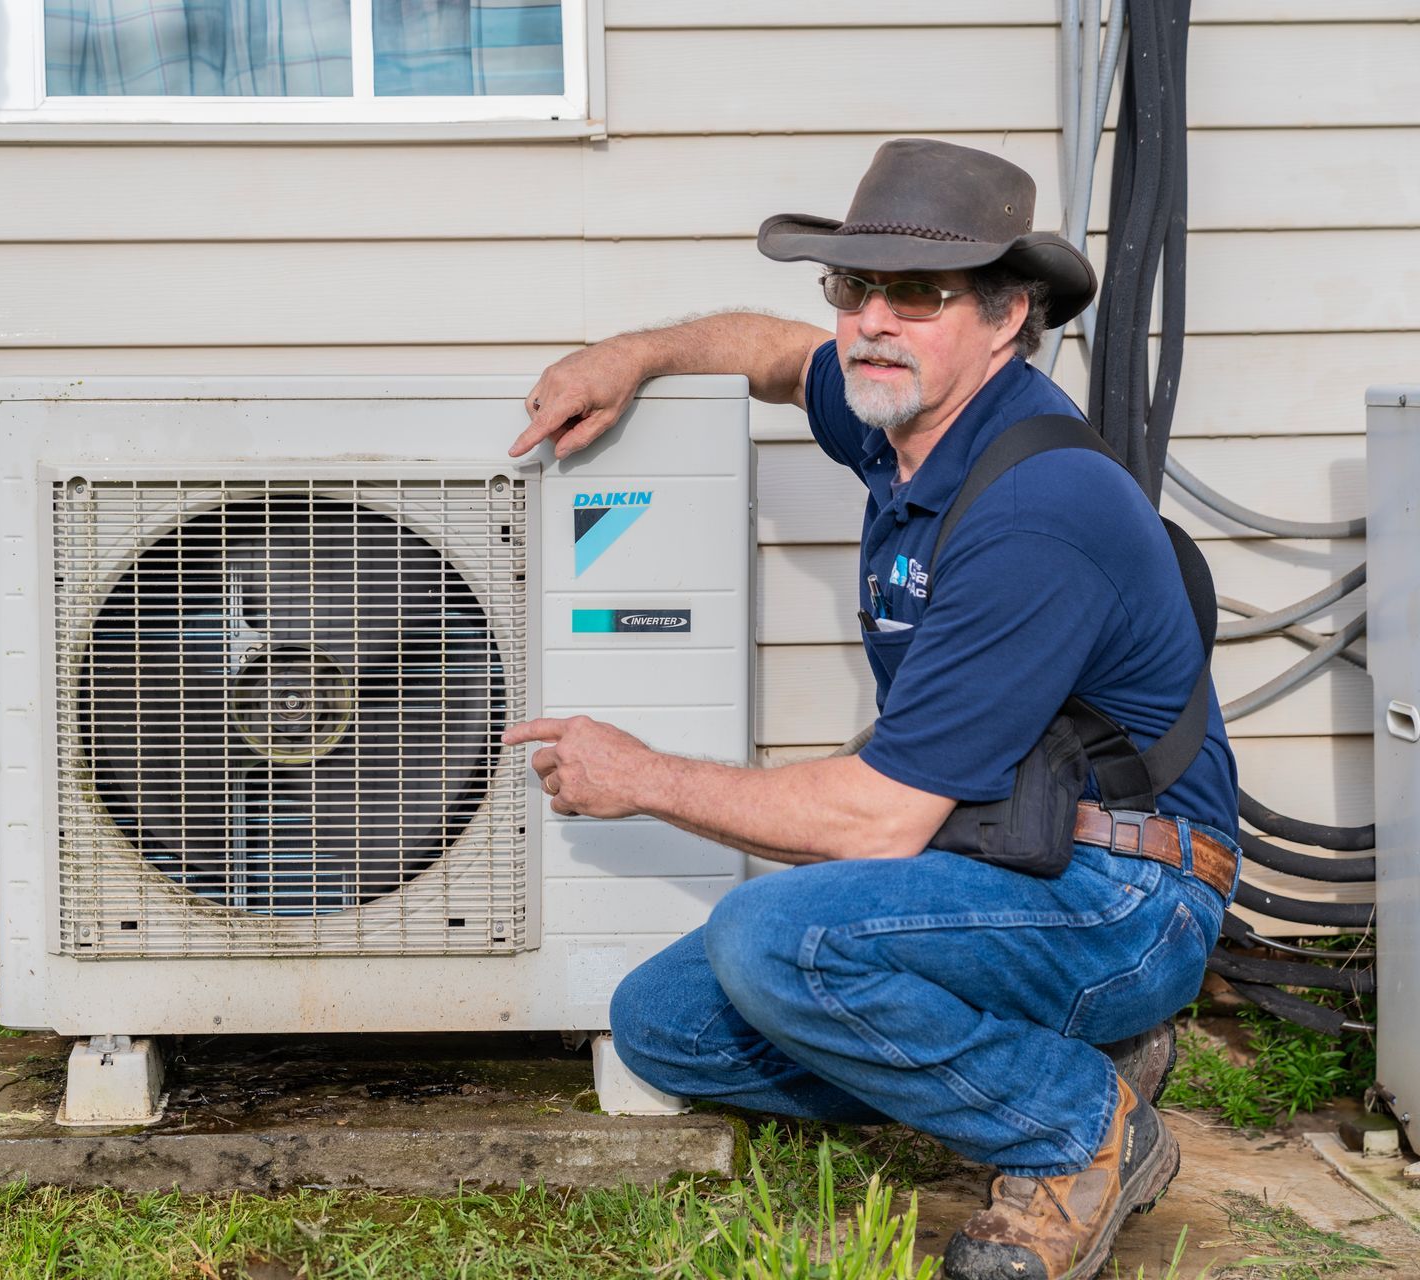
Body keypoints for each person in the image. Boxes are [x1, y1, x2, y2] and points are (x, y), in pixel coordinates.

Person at [504, 139, 1239, 1280]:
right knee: (664, 1022)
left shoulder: (1038, 503)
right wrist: (633, 354)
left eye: (919, 294)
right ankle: (1051, 1045)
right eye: (855, 287)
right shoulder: (898, 417)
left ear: (1008, 317)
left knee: (773, 937)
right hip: (1006, 861)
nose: (872, 320)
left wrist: (641, 775)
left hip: (1130, 892)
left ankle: (1075, 1127)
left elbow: (877, 821)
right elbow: (768, 352)